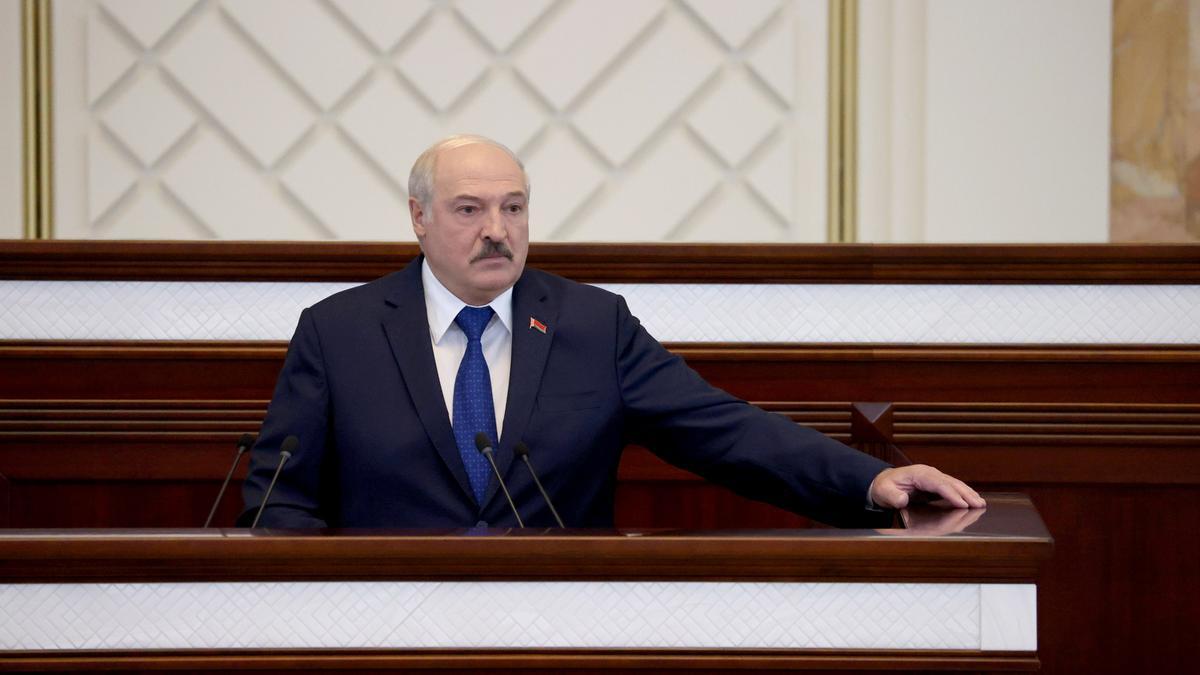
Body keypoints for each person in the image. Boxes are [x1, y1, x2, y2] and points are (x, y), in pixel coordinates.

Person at [239, 135, 984, 529]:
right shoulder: (339, 333)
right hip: (389, 641)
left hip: (557, 630)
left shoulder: (592, 326)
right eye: (470, 209)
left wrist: (869, 479)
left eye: (515, 207)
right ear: (419, 217)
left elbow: (721, 429)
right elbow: (279, 500)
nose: (498, 231)